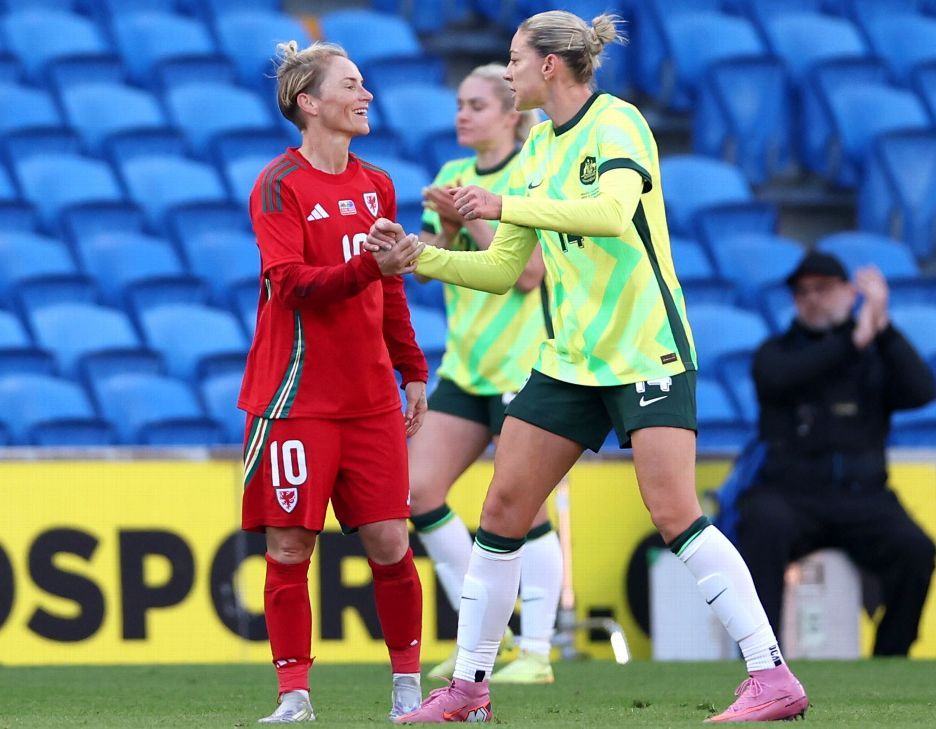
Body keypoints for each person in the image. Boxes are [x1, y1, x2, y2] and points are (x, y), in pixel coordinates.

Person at [369, 10, 808, 724]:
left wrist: (506, 201)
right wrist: (421, 258)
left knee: (674, 512)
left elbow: (611, 212)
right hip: (571, 358)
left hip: (644, 349)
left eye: (515, 59)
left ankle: (771, 675)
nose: (508, 72)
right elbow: (506, 268)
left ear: (549, 65)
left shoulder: (617, 123)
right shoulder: (537, 150)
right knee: (502, 510)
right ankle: (470, 688)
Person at [238, 40, 430, 724]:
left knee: (391, 544)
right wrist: (371, 269)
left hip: (371, 398)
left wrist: (411, 367)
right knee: (290, 546)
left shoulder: (377, 184)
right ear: (310, 103)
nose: (366, 94)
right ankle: (295, 696)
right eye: (350, 84)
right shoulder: (278, 186)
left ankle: (408, 689)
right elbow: (290, 284)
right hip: (294, 399)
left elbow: (389, 288)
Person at [408, 63, 562, 685]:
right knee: (416, 492)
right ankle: (487, 638)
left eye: (476, 105)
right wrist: (443, 226)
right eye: (459, 105)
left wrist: (468, 214)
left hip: (525, 365)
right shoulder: (453, 173)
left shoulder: (533, 174)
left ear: (509, 113)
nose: (462, 116)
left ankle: (537, 652)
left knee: (526, 506)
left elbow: (529, 275)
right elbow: (427, 267)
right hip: (467, 364)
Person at [739, 250, 936, 657]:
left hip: (864, 499)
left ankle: (890, 659)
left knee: (916, 549)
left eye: (823, 289)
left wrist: (882, 328)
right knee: (762, 523)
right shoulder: (777, 352)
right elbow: (777, 378)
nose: (812, 298)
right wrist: (852, 341)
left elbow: (922, 391)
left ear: (850, 293)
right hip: (792, 496)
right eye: (802, 291)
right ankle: (764, 659)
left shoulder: (875, 351)